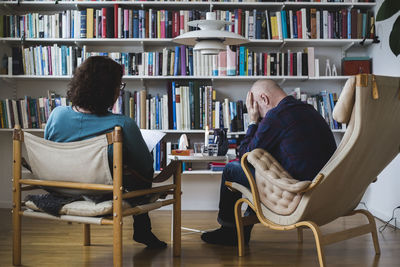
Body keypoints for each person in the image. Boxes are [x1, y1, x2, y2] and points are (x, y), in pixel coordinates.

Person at [44, 56, 166, 249]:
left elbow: (50, 151)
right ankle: (143, 229)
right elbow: (145, 166)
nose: (119, 90)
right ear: (108, 90)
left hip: (61, 188)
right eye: (119, 85)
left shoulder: (56, 115)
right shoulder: (122, 124)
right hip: (103, 192)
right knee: (138, 173)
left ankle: (144, 230)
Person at [201, 79, 337, 246]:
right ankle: (242, 232)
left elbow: (244, 155)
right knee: (262, 172)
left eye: (256, 107)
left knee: (232, 168)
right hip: (324, 190)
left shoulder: (277, 115)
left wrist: (252, 121)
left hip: (296, 191)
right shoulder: (308, 109)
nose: (260, 116)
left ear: (264, 99)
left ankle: (228, 231)